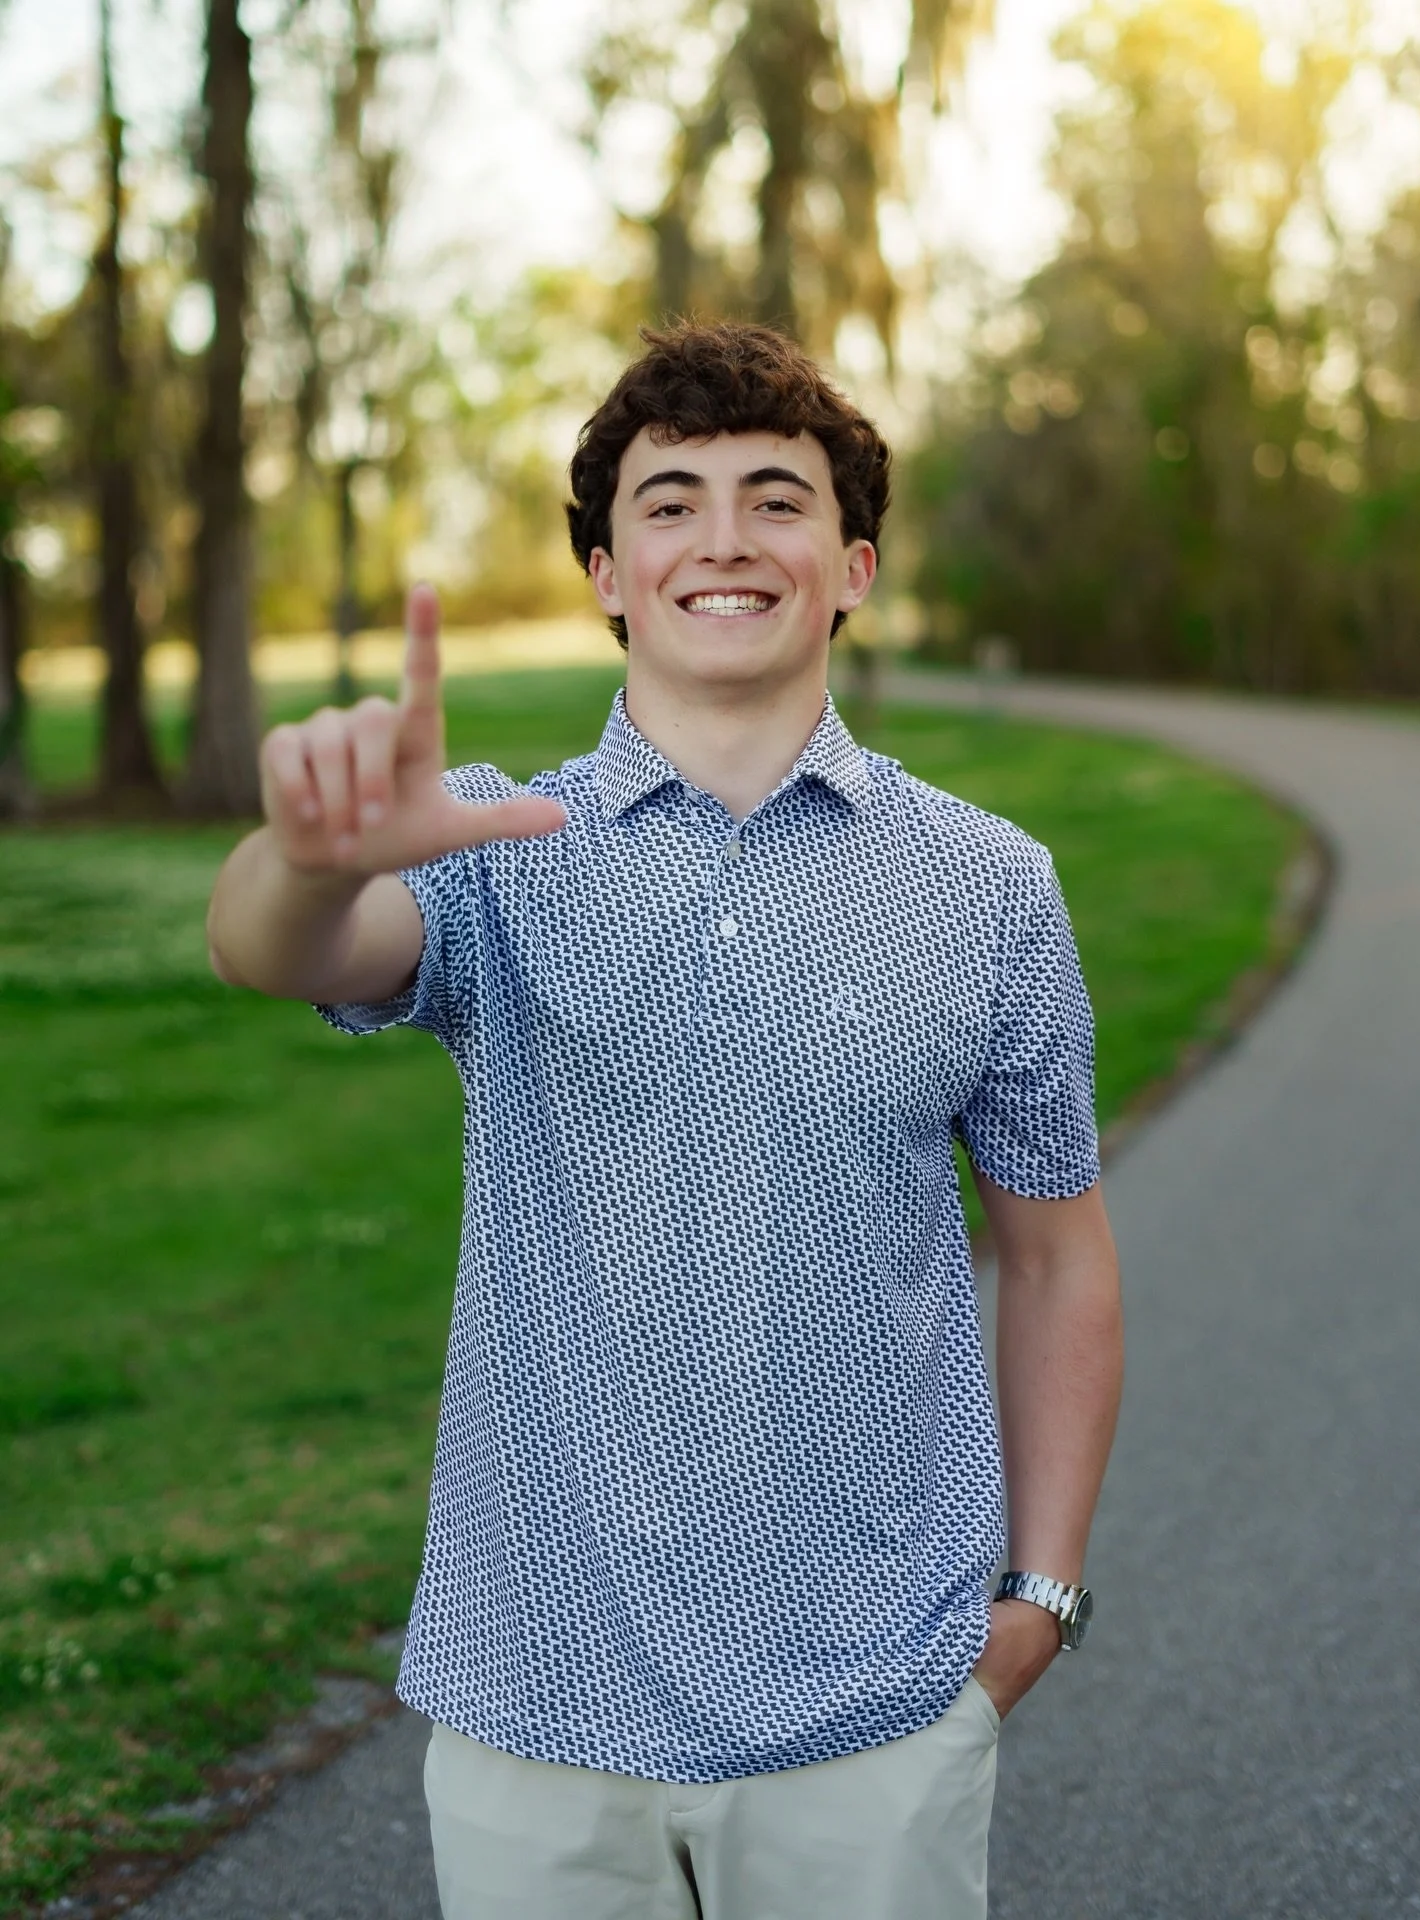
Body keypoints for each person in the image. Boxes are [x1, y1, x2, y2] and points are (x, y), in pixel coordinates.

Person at [206, 320, 1124, 1920]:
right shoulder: (500, 847)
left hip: (877, 1716)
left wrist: (1036, 1600)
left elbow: (1058, 1258)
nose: (722, 537)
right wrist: (312, 853)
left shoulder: (989, 887)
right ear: (608, 576)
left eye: (776, 499)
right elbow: (275, 950)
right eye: (669, 500)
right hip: (536, 1711)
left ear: (852, 570)